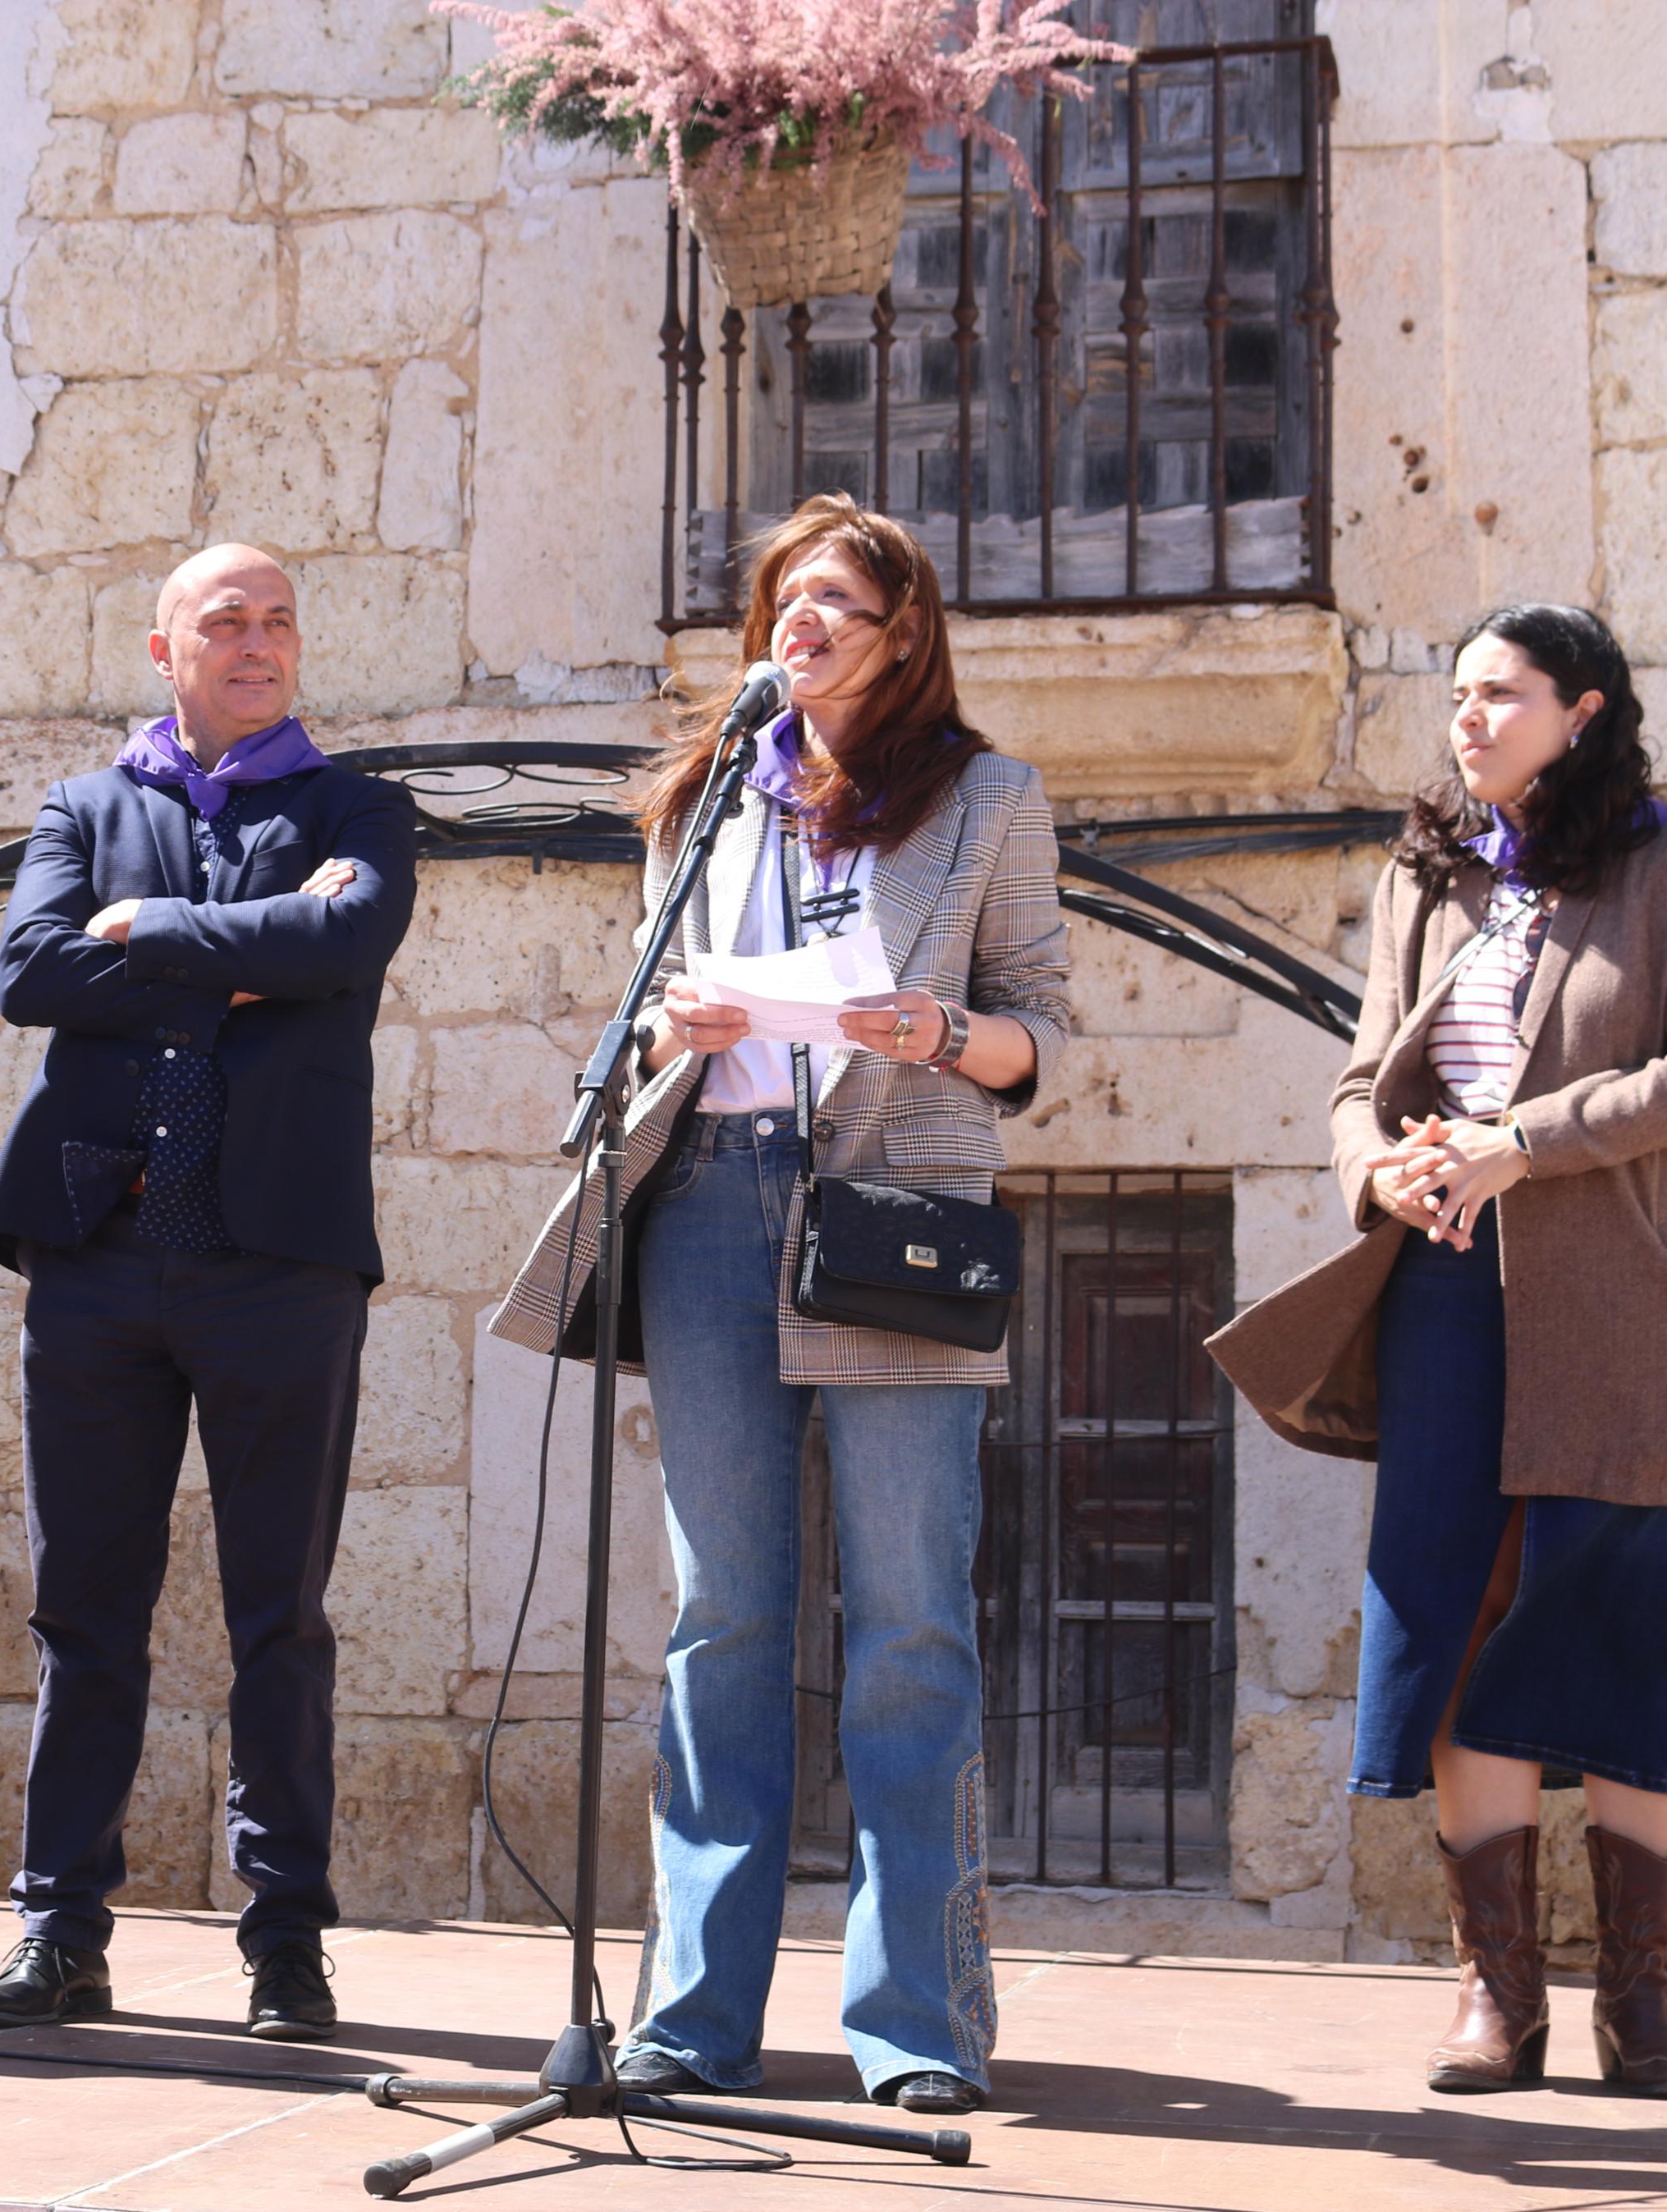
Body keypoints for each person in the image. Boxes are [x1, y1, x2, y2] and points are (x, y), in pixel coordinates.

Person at [492, 493, 1074, 2117]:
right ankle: (690, 2014)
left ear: (902, 635)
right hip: (705, 1208)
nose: (796, 622)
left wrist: (936, 1033)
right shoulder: (706, 803)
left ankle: (914, 2026)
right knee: (719, 1619)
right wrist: (680, 1021)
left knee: (903, 1624)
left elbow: (1046, 1037)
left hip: (889, 1216)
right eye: (780, 602)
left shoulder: (983, 799)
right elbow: (654, 1006)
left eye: (833, 601)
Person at [1210, 602, 1667, 2098]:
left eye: (1499, 694)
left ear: (1580, 711)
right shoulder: (1431, 874)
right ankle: (1495, 1995)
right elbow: (1355, 1077)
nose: (1465, 718)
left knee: (1635, 1633)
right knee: (1462, 1616)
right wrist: (1371, 1169)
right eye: (1456, 694)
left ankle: (1638, 2003)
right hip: (1446, 1304)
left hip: (1634, 1323)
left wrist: (1520, 1142)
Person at [0, 543, 418, 2041]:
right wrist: (246, 961)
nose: (259, 643)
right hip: (98, 1259)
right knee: (83, 1616)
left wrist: (151, 935)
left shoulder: (354, 811)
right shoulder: (85, 808)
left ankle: (285, 1939)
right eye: (227, 622)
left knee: (275, 1616)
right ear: (164, 647)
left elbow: (343, 937)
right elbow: (30, 971)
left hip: (276, 1266)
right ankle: (58, 1931)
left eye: (280, 622)